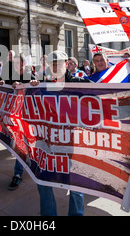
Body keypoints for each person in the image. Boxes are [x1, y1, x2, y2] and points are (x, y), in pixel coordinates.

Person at [28, 50, 90, 216]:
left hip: (72, 141)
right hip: (49, 141)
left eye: (59, 63)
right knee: (42, 179)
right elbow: (27, 103)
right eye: (52, 63)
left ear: (67, 64)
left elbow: (110, 95)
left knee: (76, 182)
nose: (56, 66)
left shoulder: (80, 82)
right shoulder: (43, 84)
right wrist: (25, 88)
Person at [0, 53, 36, 190]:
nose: (14, 65)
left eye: (17, 62)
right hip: (15, 116)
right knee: (19, 144)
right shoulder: (10, 75)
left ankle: (21, 172)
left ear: (23, 63)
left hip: (28, 116)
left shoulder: (30, 75)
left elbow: (36, 89)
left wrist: (25, 85)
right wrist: (2, 84)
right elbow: (3, 87)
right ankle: (18, 173)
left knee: (26, 144)